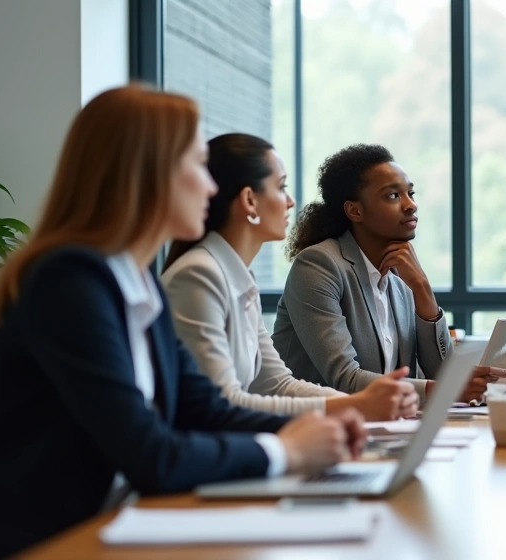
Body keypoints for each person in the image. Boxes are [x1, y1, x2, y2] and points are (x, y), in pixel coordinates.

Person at [0, 86, 365, 557]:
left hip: (120, 524)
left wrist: (325, 431)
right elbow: (150, 454)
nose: (212, 187)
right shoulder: (69, 283)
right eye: (196, 165)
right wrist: (288, 451)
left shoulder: (137, 284)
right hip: (58, 542)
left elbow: (206, 410)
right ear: (146, 173)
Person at [162, 133, 420, 420]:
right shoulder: (200, 275)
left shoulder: (238, 278)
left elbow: (276, 384)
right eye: (281, 187)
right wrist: (356, 405)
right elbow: (223, 403)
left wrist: (359, 403)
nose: (290, 201)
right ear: (249, 200)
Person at [272, 144, 506, 403]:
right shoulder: (319, 265)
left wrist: (422, 288)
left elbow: (441, 373)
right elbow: (344, 378)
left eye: (411, 193)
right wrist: (444, 389)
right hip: (314, 429)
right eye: (393, 196)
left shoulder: (401, 276)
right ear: (355, 211)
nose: (411, 205)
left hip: (385, 427)